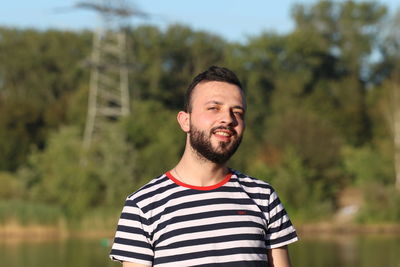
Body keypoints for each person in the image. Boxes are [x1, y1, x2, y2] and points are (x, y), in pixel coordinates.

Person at [109, 66, 298, 267]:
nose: (228, 119)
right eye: (214, 108)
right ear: (185, 121)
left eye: (237, 112)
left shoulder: (264, 197)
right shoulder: (143, 206)